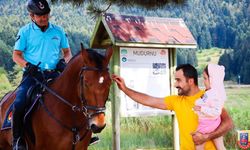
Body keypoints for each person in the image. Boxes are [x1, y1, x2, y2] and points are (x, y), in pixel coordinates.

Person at [112, 64, 233, 150]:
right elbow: (149, 100)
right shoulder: (176, 101)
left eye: (178, 80)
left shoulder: (207, 96)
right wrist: (125, 89)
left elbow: (228, 123)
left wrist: (206, 137)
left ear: (190, 81)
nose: (175, 84)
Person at [12, 0, 72, 149]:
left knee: (74, 99)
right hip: (33, 75)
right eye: (40, 16)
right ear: (31, 16)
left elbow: (67, 52)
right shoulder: (24, 32)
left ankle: (80, 134)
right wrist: (27, 65)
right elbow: (16, 55)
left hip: (54, 74)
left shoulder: (58, 31)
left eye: (46, 15)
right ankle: (18, 140)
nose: (44, 18)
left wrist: (64, 63)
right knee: (19, 103)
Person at [193, 64, 226, 150]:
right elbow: (202, 100)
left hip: (208, 124)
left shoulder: (215, 94)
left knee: (198, 144)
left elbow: (216, 111)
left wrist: (201, 109)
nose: (204, 81)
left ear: (212, 79)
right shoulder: (210, 92)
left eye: (205, 78)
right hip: (210, 123)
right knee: (220, 146)